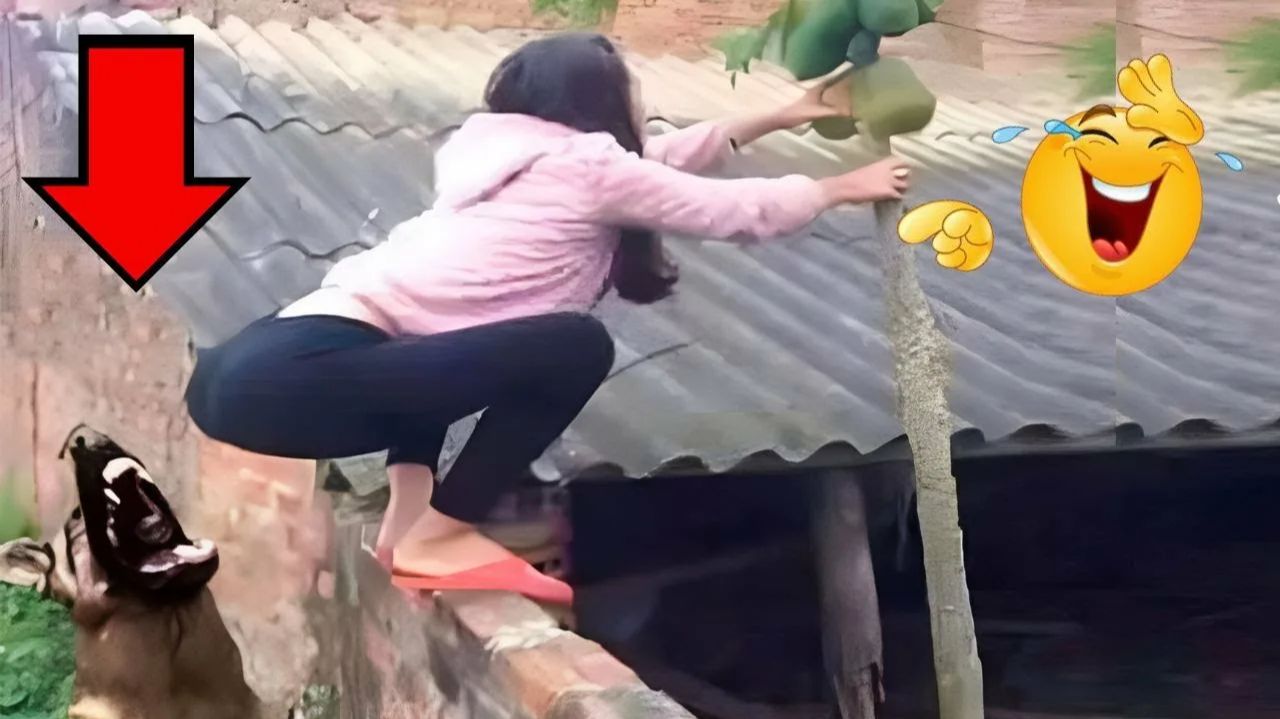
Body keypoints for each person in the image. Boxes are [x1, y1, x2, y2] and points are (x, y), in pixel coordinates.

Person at [184, 32, 910, 605]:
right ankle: (442, 535)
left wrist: (778, 116)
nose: (641, 104)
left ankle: (410, 534)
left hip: (245, 373)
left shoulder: (507, 162)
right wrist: (841, 188)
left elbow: (655, 163)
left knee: (444, 355)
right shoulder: (584, 169)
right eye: (633, 91)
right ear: (599, 101)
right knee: (575, 346)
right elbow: (730, 210)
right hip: (299, 373)